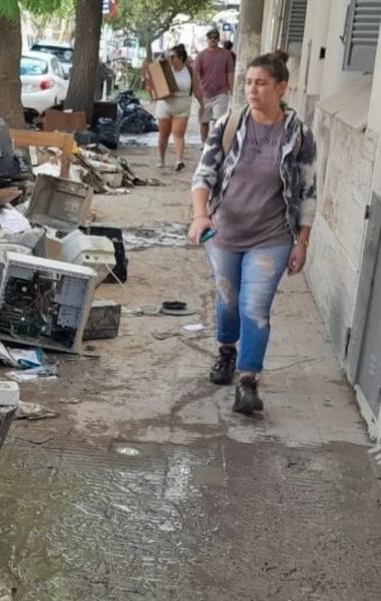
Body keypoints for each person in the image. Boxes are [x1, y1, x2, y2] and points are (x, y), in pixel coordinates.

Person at [188, 50, 317, 415]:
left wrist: (302, 242)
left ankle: (248, 382)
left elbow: (308, 192)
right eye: (248, 83)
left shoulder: (299, 135)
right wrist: (200, 216)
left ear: (281, 88)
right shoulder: (229, 124)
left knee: (255, 307)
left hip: (272, 236)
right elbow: (204, 175)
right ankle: (226, 351)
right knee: (229, 300)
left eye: (261, 83)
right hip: (225, 233)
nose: (252, 90)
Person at [152, 44, 204, 171]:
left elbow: (197, 89)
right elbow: (154, 77)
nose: (170, 60)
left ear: (181, 58)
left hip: (182, 105)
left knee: (178, 133)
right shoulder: (165, 70)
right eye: (169, 57)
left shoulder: (190, 72)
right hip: (165, 104)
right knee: (164, 134)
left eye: (173, 57)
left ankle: (179, 160)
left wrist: (202, 104)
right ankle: (161, 158)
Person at [194, 28, 235, 142]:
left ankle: (215, 142)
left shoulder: (226, 55)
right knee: (204, 121)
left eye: (215, 38)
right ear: (207, 40)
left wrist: (232, 91)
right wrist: (197, 92)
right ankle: (204, 143)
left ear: (218, 40)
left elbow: (230, 74)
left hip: (221, 93)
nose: (213, 40)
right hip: (205, 94)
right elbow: (196, 76)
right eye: (210, 38)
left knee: (219, 121)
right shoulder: (201, 56)